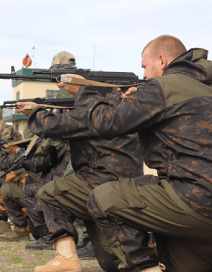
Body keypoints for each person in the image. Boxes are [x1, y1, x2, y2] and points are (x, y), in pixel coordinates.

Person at [52, 35, 212, 272]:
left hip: (193, 203)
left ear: (162, 61)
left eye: (145, 67)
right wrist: (139, 100)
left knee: (103, 198)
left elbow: (104, 123)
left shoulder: (161, 88)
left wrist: (84, 90)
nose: (144, 75)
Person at [19, 51, 144, 272]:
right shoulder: (121, 107)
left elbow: (53, 127)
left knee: (50, 193)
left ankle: (66, 259)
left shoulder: (95, 112)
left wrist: (35, 112)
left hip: (103, 182)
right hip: (125, 184)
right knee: (109, 262)